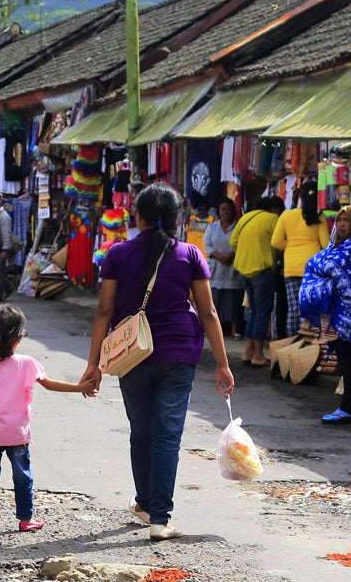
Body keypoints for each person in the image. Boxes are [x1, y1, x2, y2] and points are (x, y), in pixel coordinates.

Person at [79, 184, 235, 541]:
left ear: (138, 217)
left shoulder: (117, 254)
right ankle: (160, 519)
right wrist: (223, 364)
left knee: (142, 431)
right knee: (167, 435)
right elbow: (208, 313)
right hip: (179, 353)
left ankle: (146, 502)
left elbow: (104, 311)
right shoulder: (190, 255)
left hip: (132, 353)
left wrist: (95, 364)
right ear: (178, 218)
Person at [0, 304, 96, 538]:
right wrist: (80, 387)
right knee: (23, 479)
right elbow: (50, 384)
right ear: (18, 340)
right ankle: (25, 520)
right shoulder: (27, 362)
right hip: (17, 436)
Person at [300, 206, 351, 424]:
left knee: (350, 361)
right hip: (338, 311)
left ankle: (348, 410)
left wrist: (318, 265)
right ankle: (346, 408)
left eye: (346, 221)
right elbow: (318, 263)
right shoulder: (338, 245)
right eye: (339, 220)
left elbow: (329, 264)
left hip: (350, 313)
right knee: (345, 359)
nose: (341, 224)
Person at [230, 195, 283, 368]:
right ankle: (258, 354)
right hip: (261, 269)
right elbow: (278, 243)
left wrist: (247, 252)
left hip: (243, 269)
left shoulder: (246, 217)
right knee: (262, 312)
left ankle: (248, 351)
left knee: (253, 311)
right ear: (275, 209)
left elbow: (233, 242)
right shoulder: (273, 218)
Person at [272, 188, 330, 338]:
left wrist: (291, 247)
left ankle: (292, 342)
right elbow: (325, 244)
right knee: (309, 307)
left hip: (291, 266)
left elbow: (276, 241)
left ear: (300, 198)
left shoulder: (286, 215)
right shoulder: (319, 217)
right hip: (312, 267)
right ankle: (307, 341)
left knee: (293, 308)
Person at [201, 198, 243, 337]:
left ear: (233, 210)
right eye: (223, 209)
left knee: (234, 301)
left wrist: (230, 255)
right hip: (216, 268)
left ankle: (235, 330)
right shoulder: (212, 227)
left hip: (232, 268)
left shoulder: (238, 227)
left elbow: (241, 244)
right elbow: (207, 245)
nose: (225, 212)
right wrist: (221, 256)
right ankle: (213, 330)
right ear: (219, 211)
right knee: (215, 301)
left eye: (228, 209)